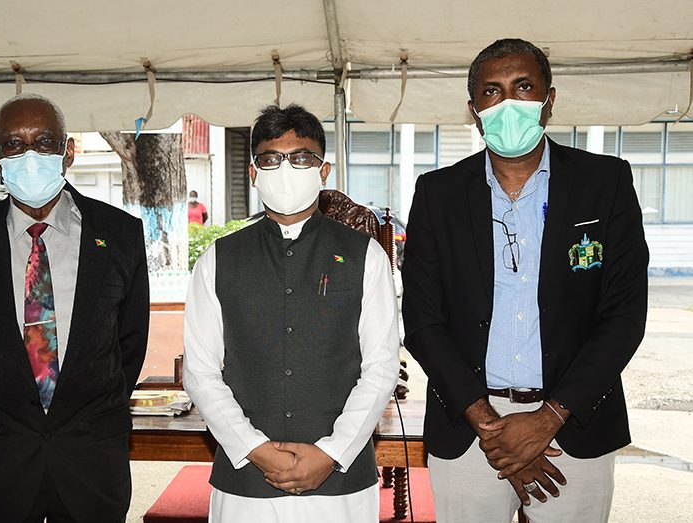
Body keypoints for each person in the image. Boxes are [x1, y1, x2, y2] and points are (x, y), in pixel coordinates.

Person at [402, 38, 649, 523]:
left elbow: (623, 316)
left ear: (548, 101)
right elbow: (422, 321)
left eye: (523, 87)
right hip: (468, 427)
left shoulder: (606, 183)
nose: (508, 103)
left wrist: (548, 419)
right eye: (492, 92)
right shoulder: (438, 194)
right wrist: (490, 426)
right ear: (475, 111)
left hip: (574, 422)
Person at [0, 93, 149, 522]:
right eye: (14, 144)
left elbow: (129, 342)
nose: (30, 155)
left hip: (91, 459)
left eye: (45, 142)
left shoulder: (120, 235)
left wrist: (87, 410)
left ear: (68, 152)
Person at [183, 104, 400, 523]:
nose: (285, 169)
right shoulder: (219, 259)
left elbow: (381, 367)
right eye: (271, 159)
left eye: (300, 157)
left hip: (340, 481)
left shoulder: (363, 255)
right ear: (253, 172)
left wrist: (331, 453)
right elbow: (200, 371)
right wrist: (255, 449)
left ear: (323, 170)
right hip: (246, 482)